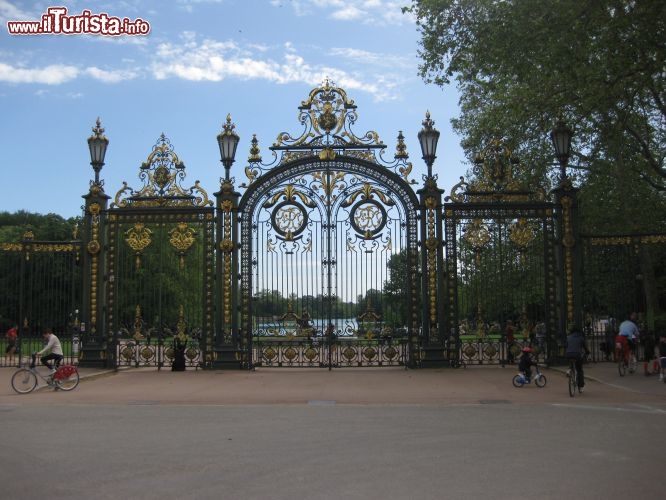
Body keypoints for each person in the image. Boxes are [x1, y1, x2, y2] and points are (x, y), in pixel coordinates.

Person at [566, 326, 590, 392]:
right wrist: (587, 352)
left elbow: (566, 345)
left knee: (570, 360)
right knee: (579, 370)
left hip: (568, 354)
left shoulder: (568, 337)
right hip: (577, 355)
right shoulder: (581, 338)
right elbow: (585, 347)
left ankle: (569, 369)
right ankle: (581, 386)